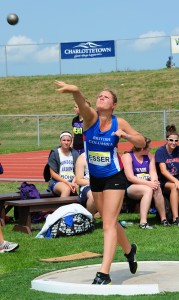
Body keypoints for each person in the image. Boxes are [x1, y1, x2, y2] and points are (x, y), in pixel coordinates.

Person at [55, 80, 146, 285]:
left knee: (107, 224)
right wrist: (76, 91)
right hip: (96, 179)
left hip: (114, 176)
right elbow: (83, 105)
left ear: (114, 104)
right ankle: (129, 250)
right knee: (109, 220)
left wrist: (127, 136)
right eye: (99, 95)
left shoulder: (119, 122)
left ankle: (104, 273)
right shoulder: (90, 119)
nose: (101, 97)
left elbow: (141, 142)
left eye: (106, 96)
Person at [121, 137, 170, 229]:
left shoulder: (149, 157)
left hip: (148, 185)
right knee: (147, 190)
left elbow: (153, 173)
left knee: (157, 188)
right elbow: (130, 177)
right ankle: (143, 222)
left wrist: (155, 182)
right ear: (142, 148)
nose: (151, 148)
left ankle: (164, 219)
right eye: (149, 147)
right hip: (131, 187)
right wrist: (149, 184)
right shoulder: (127, 156)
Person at [155, 124, 179, 225]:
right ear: (166, 140)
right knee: (174, 186)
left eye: (176, 141)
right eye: (171, 140)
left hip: (176, 179)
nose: (173, 143)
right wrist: (176, 180)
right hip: (164, 181)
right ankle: (175, 218)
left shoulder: (178, 150)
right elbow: (163, 171)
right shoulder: (160, 151)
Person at [47, 131, 79, 197]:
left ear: (71, 141)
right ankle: (61, 207)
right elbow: (53, 174)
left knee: (79, 189)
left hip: (72, 180)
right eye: (64, 140)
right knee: (66, 189)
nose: (66, 142)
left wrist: (73, 182)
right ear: (60, 141)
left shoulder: (75, 153)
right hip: (58, 181)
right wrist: (67, 183)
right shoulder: (55, 153)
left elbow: (79, 171)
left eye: (68, 140)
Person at [75, 152, 97, 217]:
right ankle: (89, 219)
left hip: (104, 184)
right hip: (87, 185)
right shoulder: (82, 157)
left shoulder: (104, 154)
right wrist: (95, 182)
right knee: (93, 196)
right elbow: (79, 180)